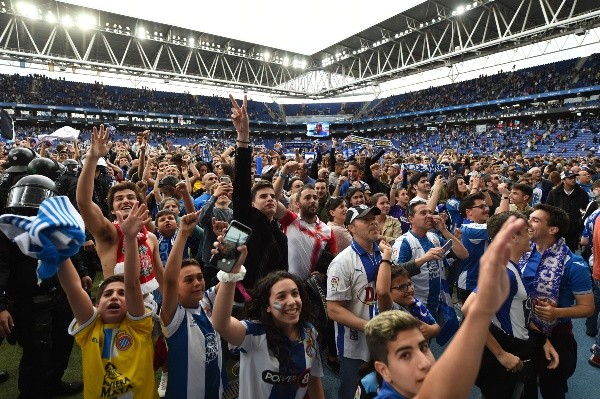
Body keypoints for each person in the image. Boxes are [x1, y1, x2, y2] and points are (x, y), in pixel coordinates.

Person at [364, 215, 532, 399]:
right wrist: (387, 257)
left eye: (423, 348)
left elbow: (437, 334)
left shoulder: (415, 305)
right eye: (405, 355)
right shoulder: (386, 394)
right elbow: (382, 291)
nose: (424, 363)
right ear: (384, 370)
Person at [58, 202, 157, 398]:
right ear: (96, 305)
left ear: (132, 302)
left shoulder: (139, 325)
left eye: (121, 294)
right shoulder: (89, 328)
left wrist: (129, 238)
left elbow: (132, 284)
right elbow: (73, 289)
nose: (114, 296)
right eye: (107, 293)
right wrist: (58, 251)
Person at [0, 175, 86, 398]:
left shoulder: (54, 222)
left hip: (60, 295)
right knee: (36, 352)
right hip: (30, 302)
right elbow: (0, 268)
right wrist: (1, 307)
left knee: (63, 344)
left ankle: (52, 383)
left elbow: (69, 248)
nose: (29, 203)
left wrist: (83, 272)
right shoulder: (7, 227)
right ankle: (30, 394)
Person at [462, 212, 559, 399]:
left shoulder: (510, 268)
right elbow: (468, 310)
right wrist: (501, 354)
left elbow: (520, 314)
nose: (530, 234)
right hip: (510, 354)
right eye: (525, 231)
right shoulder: (504, 273)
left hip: (519, 347)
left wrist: (542, 340)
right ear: (512, 236)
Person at [211, 242, 325, 398]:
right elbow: (221, 324)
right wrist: (231, 273)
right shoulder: (254, 334)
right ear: (267, 306)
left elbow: (313, 379)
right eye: (281, 297)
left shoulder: (310, 332)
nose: (291, 301)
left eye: (295, 293)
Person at [77, 125, 163, 297]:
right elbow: (84, 202)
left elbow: (162, 279)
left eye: (130, 197)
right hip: (117, 309)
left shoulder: (151, 237)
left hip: (147, 308)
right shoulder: (108, 233)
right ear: (113, 209)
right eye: (119, 199)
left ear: (139, 203)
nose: (125, 201)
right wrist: (92, 158)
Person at [520, 204, 594, 398]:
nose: (528, 222)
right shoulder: (522, 251)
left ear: (553, 230)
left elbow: (588, 308)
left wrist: (557, 312)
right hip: (521, 330)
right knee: (523, 387)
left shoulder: (574, 265)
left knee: (552, 388)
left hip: (556, 333)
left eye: (536, 220)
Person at [159, 210, 227, 398]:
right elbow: (170, 280)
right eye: (188, 280)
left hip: (216, 388)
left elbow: (229, 277)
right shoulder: (173, 316)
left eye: (199, 277)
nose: (197, 283)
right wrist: (183, 233)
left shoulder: (207, 299)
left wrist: (226, 243)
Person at [229, 95, 288, 304]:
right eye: (263, 196)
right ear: (252, 203)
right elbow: (242, 186)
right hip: (246, 301)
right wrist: (243, 138)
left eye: (273, 196)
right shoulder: (247, 218)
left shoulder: (278, 231)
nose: (270, 199)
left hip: (274, 300)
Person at [326, 204, 385, 399]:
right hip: (355, 345)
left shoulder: (383, 254)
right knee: (351, 392)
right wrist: (370, 327)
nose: (373, 223)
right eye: (366, 220)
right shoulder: (342, 262)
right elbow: (334, 310)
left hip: (383, 341)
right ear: (350, 227)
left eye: (374, 219)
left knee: (380, 390)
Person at [392, 200, 468, 316]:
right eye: (423, 213)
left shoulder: (434, 237)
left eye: (430, 212)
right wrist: (424, 259)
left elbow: (463, 254)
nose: (429, 216)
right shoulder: (404, 242)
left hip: (440, 303)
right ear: (410, 219)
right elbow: (395, 273)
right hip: (416, 307)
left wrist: (444, 230)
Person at [457, 192, 490, 302]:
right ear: (468, 212)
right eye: (481, 207)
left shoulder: (476, 226)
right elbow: (500, 226)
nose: (486, 209)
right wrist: (504, 196)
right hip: (470, 285)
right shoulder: (469, 229)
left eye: (486, 206)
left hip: (481, 283)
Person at [546, 171, 589, 251]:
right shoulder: (554, 193)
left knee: (571, 254)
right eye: (570, 178)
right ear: (563, 180)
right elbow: (548, 210)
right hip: (558, 230)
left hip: (574, 230)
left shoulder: (582, 193)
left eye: (574, 178)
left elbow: (586, 211)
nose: (573, 180)